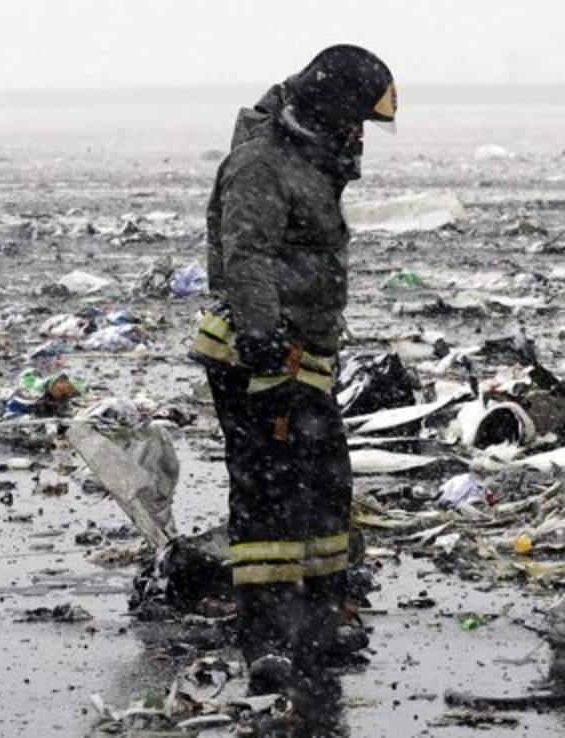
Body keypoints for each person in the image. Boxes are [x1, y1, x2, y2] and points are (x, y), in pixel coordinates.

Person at [189, 44, 396, 695]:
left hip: (305, 358)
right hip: (259, 359)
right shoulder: (262, 163)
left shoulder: (310, 162)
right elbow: (245, 253)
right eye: (356, 118)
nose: (360, 133)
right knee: (270, 500)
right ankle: (267, 638)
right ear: (330, 107)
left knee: (324, 488)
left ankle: (318, 622)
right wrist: (264, 341)